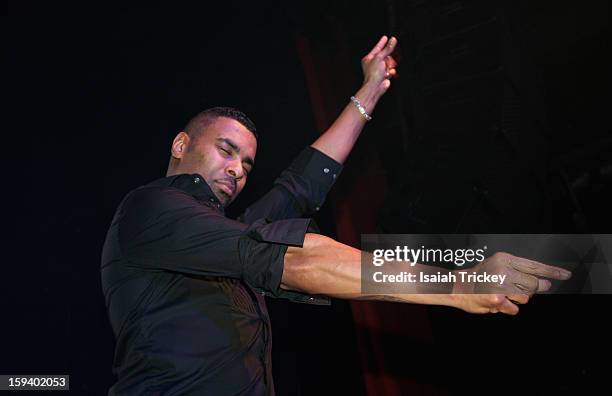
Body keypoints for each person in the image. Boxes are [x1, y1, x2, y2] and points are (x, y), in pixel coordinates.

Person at [101, 36, 571, 395]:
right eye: (226, 150)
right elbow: (299, 260)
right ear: (182, 145)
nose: (237, 169)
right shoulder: (151, 208)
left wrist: (368, 93)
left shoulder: (223, 235)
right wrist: (455, 283)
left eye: (246, 164)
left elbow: (301, 184)